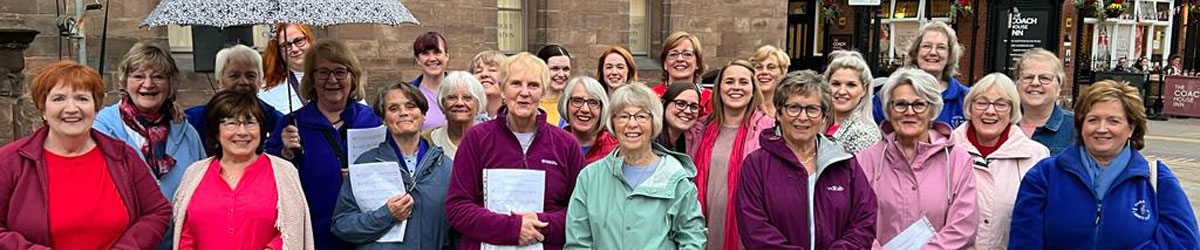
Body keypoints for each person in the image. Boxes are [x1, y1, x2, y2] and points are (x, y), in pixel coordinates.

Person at [0, 61, 171, 248]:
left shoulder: (122, 156)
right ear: (43, 109)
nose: (72, 108)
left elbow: (157, 212)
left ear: (95, 107)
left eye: (82, 98)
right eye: (58, 99)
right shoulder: (11, 161)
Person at [1010, 80, 1200, 249]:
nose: (1101, 129)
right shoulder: (1045, 175)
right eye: (1093, 120)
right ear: (1081, 125)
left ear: (1131, 128)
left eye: (1113, 121)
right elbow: (1024, 241)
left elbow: (1185, 242)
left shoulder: (1156, 179)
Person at [444, 52, 587, 250]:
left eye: (533, 85)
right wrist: (513, 228)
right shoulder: (476, 139)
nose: (524, 92)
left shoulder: (566, 144)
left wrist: (539, 224)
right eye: (516, 84)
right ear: (502, 89)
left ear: (544, 92)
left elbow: (579, 213)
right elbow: (457, 208)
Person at [735, 70, 877, 249]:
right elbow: (754, 228)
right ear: (779, 114)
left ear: (824, 117)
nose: (802, 117)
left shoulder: (845, 163)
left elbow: (864, 219)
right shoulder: (756, 165)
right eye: (793, 107)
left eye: (812, 109)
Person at [265, 40, 383, 250]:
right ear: (311, 79)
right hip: (314, 234)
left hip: (364, 234)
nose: (332, 80)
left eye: (340, 72)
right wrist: (285, 153)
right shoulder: (292, 124)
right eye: (323, 72)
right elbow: (270, 180)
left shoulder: (372, 121)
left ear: (352, 76)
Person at [565, 84, 706, 249]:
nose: (632, 124)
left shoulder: (676, 178)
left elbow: (692, 239)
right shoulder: (590, 177)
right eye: (623, 116)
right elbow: (578, 243)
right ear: (612, 123)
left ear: (654, 122)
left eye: (641, 116)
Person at [172, 90, 313, 249]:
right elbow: (185, 235)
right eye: (231, 123)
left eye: (250, 123)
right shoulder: (194, 174)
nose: (242, 132)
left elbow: (292, 230)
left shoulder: (283, 172)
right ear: (216, 131)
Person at [856, 68, 978, 249]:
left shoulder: (957, 160)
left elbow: (963, 226)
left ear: (932, 110)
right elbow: (853, 220)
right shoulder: (866, 159)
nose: (909, 112)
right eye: (900, 104)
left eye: (919, 104)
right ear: (889, 110)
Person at [332, 82, 457, 249]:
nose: (403, 113)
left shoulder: (446, 167)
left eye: (410, 106)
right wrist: (386, 215)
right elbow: (342, 225)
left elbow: (457, 230)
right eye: (393, 109)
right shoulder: (366, 163)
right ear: (384, 118)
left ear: (423, 114)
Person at [93, 43, 205, 203]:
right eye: (138, 76)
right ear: (125, 82)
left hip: (179, 228)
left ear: (170, 83)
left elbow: (205, 188)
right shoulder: (102, 130)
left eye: (158, 76)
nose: (148, 84)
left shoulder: (186, 132)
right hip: (128, 228)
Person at [950, 73, 1049, 249]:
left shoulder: (1036, 156)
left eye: (1001, 104)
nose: (990, 111)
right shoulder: (945, 151)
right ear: (969, 108)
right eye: (981, 102)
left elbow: (1041, 222)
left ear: (1012, 110)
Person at [687, 60, 775, 250]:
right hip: (703, 227)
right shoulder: (699, 129)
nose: (736, 87)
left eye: (743, 82)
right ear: (719, 88)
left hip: (747, 230)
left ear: (753, 90)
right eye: (729, 81)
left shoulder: (770, 131)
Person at [184, 44, 285, 156]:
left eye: (251, 76)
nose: (243, 82)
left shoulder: (276, 120)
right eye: (234, 76)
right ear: (220, 82)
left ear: (260, 81)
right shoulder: (194, 119)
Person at [871, 21, 969, 128]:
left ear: (950, 55)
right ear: (916, 51)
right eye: (926, 46)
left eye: (941, 47)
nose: (933, 52)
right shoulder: (889, 93)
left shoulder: (965, 98)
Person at [1014, 48, 1075, 155]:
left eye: (1045, 78)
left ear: (1059, 86)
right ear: (1017, 83)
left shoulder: (1076, 129)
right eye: (1028, 77)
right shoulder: (1003, 125)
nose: (1035, 83)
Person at [823, 50, 881, 154]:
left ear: (864, 90)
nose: (841, 91)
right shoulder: (820, 125)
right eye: (836, 84)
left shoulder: (864, 134)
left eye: (851, 85)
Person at [426, 71, 487, 159]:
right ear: (442, 103)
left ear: (478, 104)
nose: (459, 103)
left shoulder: (492, 139)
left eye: (467, 98)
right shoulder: (428, 140)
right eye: (452, 97)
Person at [651, 32, 713, 114]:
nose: (680, 59)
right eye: (673, 54)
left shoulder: (711, 99)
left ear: (697, 63)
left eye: (687, 54)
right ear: (665, 64)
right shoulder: (651, 97)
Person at [559, 76, 618, 163]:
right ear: (566, 105)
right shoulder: (553, 145)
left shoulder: (617, 149)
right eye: (577, 100)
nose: (585, 109)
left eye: (593, 102)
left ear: (602, 109)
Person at [261, 23, 314, 114]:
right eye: (285, 45)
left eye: (298, 41)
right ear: (278, 52)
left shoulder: (332, 75)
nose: (294, 49)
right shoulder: (269, 90)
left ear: (309, 39)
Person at [411, 31, 451, 130]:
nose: (432, 58)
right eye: (425, 54)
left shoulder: (463, 88)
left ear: (446, 56)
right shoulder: (409, 94)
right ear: (417, 59)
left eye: (437, 52)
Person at [655, 82, 702, 154]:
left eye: (694, 107)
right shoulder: (649, 139)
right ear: (664, 103)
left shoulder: (696, 140)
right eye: (680, 104)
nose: (688, 111)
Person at [748, 45, 790, 117]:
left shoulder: (789, 106)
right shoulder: (744, 106)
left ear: (782, 72)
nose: (764, 72)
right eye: (759, 67)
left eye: (771, 67)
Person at [537, 44, 573, 127]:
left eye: (565, 69)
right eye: (555, 68)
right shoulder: (530, 102)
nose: (561, 74)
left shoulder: (573, 103)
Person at [470, 50, 507, 119]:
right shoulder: (464, 118)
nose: (484, 74)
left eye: (492, 70)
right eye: (478, 71)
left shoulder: (514, 118)